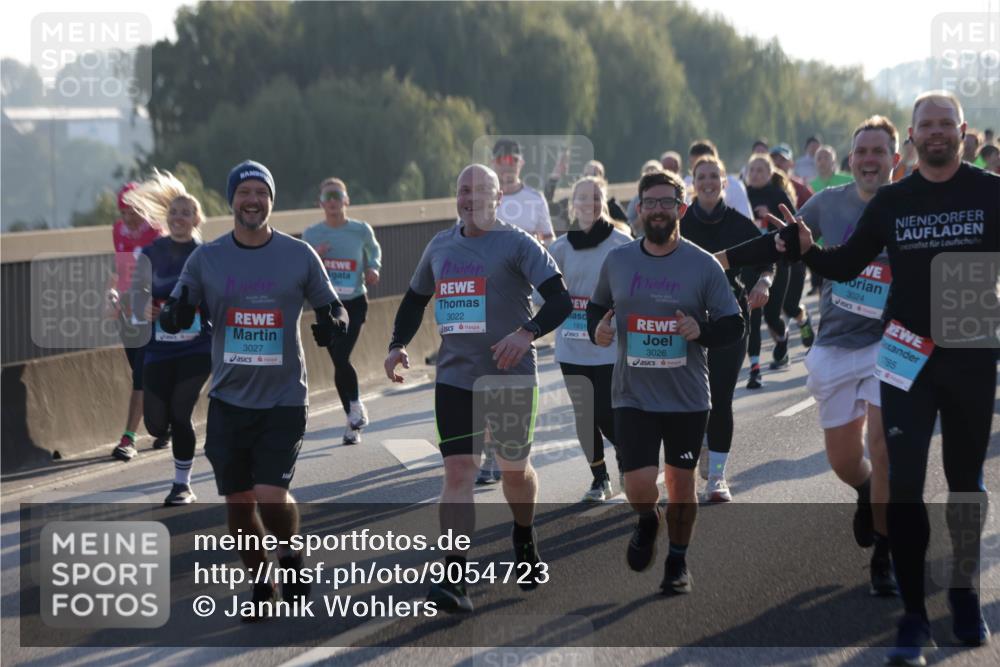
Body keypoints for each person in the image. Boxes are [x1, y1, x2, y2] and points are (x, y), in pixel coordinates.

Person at [730, 91, 998, 665]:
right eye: (925, 125)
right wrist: (808, 253)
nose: (935, 132)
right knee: (901, 484)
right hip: (904, 355)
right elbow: (846, 264)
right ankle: (913, 618)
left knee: (965, 483)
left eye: (944, 124)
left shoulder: (989, 192)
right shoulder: (895, 201)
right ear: (912, 135)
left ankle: (965, 593)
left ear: (962, 131)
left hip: (970, 352)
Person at [160, 159, 348, 619]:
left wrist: (333, 324)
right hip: (228, 398)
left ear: (271, 200)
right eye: (244, 192)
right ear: (232, 201)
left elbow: (334, 307)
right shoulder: (206, 258)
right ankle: (261, 587)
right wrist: (175, 315)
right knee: (240, 503)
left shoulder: (298, 254)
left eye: (260, 193)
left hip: (284, 396)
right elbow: (178, 305)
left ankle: (290, 558)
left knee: (269, 493)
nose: (252, 200)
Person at [384, 163, 572, 613]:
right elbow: (414, 299)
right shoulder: (441, 245)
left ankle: (523, 534)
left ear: (498, 198)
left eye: (480, 190)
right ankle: (454, 578)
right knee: (458, 473)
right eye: (462, 190)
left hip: (509, 376)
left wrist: (525, 333)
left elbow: (561, 298)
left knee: (514, 472)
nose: (470, 198)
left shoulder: (517, 243)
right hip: (455, 377)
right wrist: (396, 344)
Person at [588, 170, 744, 594]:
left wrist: (702, 331)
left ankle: (677, 561)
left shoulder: (703, 264)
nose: (658, 209)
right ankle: (646, 518)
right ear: (639, 210)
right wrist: (597, 331)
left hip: (687, 396)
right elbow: (597, 307)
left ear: (682, 208)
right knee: (638, 485)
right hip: (632, 394)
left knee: (679, 485)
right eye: (650, 202)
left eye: (666, 202)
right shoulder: (619, 261)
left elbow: (734, 324)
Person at [680, 155, 772, 502]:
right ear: (693, 182)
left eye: (713, 176)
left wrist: (763, 282)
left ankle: (717, 478)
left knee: (720, 398)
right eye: (701, 176)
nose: (707, 182)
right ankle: (694, 451)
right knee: (688, 401)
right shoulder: (680, 222)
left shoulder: (739, 223)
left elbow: (767, 260)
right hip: (682, 321)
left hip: (729, 320)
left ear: (724, 182)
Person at [125, 170, 212, 505]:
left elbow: (218, 298)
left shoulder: (206, 254)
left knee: (181, 411)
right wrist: (142, 305)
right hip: (158, 348)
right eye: (174, 212)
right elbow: (136, 293)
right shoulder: (151, 252)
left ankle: (181, 485)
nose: (179, 217)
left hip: (196, 347)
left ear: (197, 219)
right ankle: (167, 433)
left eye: (186, 212)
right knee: (157, 425)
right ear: (166, 217)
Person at [546, 176, 631, 501]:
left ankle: (625, 458)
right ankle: (600, 479)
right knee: (584, 415)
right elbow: (544, 294)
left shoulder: (621, 244)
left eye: (595, 197)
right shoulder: (560, 248)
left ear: (605, 201)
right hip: (571, 344)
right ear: (573, 204)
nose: (589, 203)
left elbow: (635, 288)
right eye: (582, 197)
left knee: (606, 412)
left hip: (609, 344)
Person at [302, 177, 382, 445]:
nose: (333, 201)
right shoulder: (311, 235)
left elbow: (374, 252)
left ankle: (356, 407)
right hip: (327, 304)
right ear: (320, 203)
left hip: (355, 301)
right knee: (338, 359)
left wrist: (373, 268)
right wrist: (316, 254)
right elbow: (304, 266)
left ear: (347, 200)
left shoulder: (360, 230)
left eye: (337, 195)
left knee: (342, 353)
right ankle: (353, 420)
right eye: (328, 197)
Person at [109, 182, 166, 461]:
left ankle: (128, 438)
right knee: (142, 374)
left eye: (134, 211)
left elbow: (168, 273)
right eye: (124, 212)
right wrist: (114, 295)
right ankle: (168, 423)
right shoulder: (118, 231)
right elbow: (119, 269)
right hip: (127, 312)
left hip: (150, 312)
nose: (129, 217)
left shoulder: (158, 232)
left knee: (142, 377)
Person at [744, 153, 799, 387]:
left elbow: (795, 225)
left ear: (769, 173)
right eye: (752, 170)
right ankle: (755, 369)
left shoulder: (778, 194)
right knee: (752, 315)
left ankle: (782, 335)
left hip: (778, 262)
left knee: (771, 315)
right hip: (749, 262)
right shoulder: (742, 194)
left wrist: (772, 214)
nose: (755, 174)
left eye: (760, 170)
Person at [492, 138, 555, 244]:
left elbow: (549, 240)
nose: (507, 165)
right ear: (493, 163)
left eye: (513, 160)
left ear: (521, 163)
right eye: (501, 160)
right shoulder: (480, 198)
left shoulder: (536, 198)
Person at [682, 139, 754, 220]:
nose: (707, 182)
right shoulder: (685, 184)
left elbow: (747, 221)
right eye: (696, 165)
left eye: (713, 176)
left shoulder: (735, 186)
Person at [626, 160, 668, 232]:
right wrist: (640, 219)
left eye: (655, 173)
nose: (652, 178)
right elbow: (629, 227)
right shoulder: (636, 200)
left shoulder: (668, 196)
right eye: (648, 174)